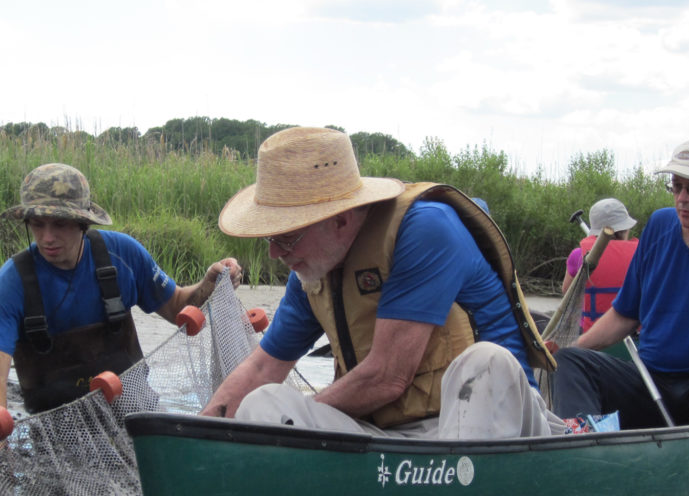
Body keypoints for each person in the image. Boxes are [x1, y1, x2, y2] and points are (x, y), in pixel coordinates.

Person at [201, 126, 564, 439]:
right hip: (391, 439)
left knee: (487, 362)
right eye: (270, 237)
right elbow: (263, 369)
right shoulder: (311, 268)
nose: (274, 253)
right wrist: (197, 434)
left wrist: (297, 424)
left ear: (340, 220)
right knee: (265, 404)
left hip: (493, 423)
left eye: (287, 237)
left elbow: (388, 377)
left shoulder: (425, 229)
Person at [0, 163, 242, 415]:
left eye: (59, 223)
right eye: (37, 224)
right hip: (57, 427)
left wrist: (208, 285)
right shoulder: (10, 285)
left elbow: (177, 309)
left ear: (83, 223)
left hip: (134, 412)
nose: (47, 237)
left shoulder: (123, 255)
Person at [552, 135, 689, 428]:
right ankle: (586, 452)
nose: (682, 198)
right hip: (649, 383)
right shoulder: (659, 226)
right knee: (570, 360)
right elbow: (625, 314)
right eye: (676, 186)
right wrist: (573, 347)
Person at [561, 198, 638, 332]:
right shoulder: (642, 255)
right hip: (632, 333)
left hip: (590, 332)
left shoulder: (578, 255)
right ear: (625, 229)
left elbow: (568, 293)